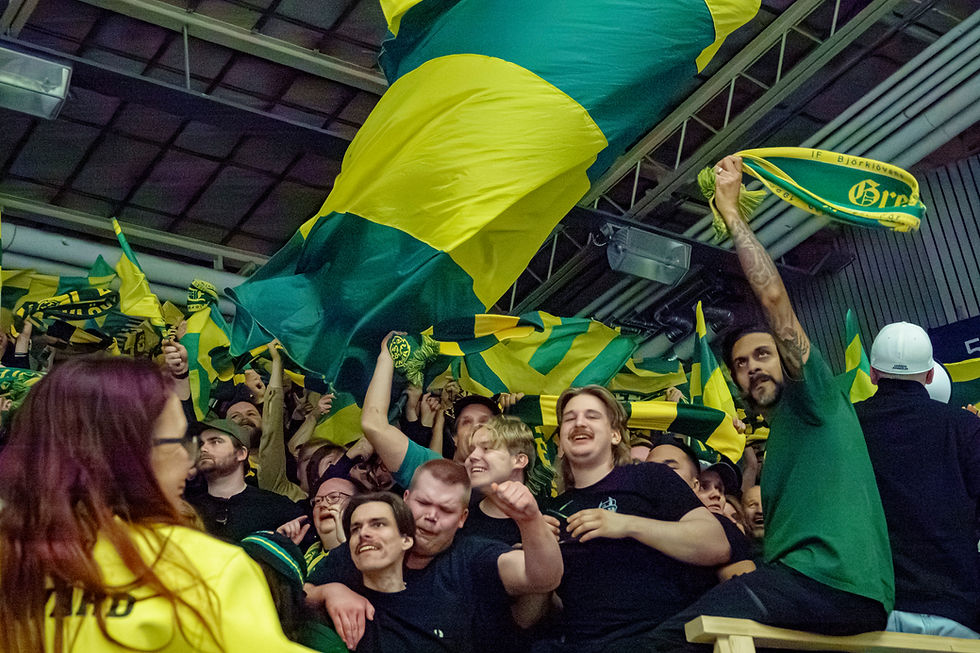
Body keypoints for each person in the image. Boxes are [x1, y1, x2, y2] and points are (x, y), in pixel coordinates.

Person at [647, 155, 893, 651]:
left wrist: (732, 212)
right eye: (740, 363)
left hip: (830, 585)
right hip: (824, 591)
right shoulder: (781, 433)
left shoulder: (815, 399)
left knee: (667, 640)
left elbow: (776, 304)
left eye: (764, 355)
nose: (753, 367)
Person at [0, 356, 310, 652]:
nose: (190, 466)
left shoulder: (11, 556)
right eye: (178, 444)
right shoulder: (203, 568)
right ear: (128, 454)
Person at [537, 386, 730, 651]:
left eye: (592, 416)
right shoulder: (551, 511)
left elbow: (715, 544)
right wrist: (535, 558)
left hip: (658, 637)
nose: (579, 422)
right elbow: (538, 614)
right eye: (569, 418)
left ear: (615, 435)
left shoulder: (651, 477)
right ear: (560, 444)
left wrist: (626, 524)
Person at [306, 458, 562, 651]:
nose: (431, 516)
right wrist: (328, 592)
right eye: (424, 503)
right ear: (405, 499)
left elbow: (544, 577)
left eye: (445, 509)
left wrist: (529, 519)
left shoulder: (472, 556)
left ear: (462, 518)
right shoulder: (366, 546)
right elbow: (297, 593)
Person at [854, 321, 980, 637]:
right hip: (957, 610)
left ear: (872, 374)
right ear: (929, 375)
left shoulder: (846, 424)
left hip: (871, 610)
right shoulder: (965, 427)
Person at [186, 418, 303, 541]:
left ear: (241, 453)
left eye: (215, 442)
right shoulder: (186, 509)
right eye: (200, 444)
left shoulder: (276, 507)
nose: (203, 449)